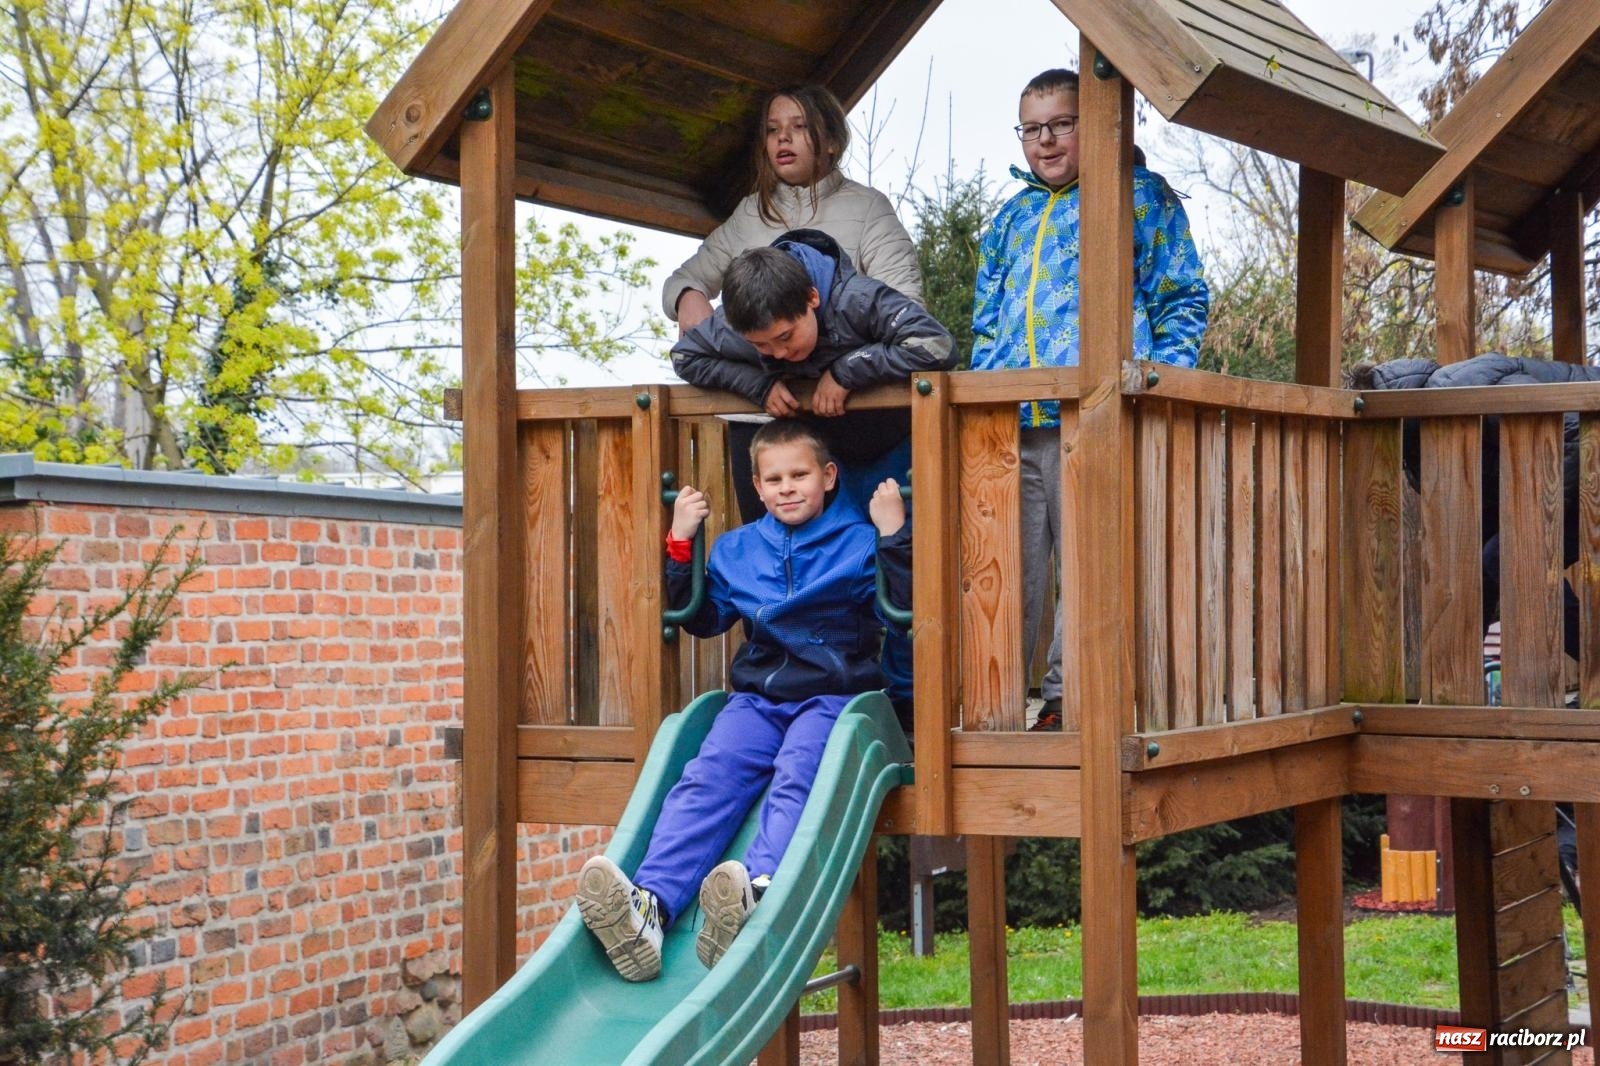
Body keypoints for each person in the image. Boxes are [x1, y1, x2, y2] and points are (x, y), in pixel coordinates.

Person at [574, 420, 911, 982]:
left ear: (828, 477)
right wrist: (681, 542)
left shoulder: (857, 544)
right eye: (774, 478)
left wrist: (894, 534)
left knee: (799, 771)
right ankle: (651, 908)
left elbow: (900, 609)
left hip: (833, 696)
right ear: (757, 488)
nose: (787, 487)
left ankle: (755, 889)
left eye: (799, 474)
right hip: (757, 699)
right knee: (707, 777)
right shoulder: (737, 550)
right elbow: (703, 620)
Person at [970, 67, 1209, 731]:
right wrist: (982, 404)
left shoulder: (1139, 197)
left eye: (1060, 125)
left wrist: (1154, 384)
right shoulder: (1011, 218)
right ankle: (993, 702)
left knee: (1085, 565)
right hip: (1012, 423)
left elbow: (1182, 297)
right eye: (1031, 129)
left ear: (1095, 124)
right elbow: (987, 318)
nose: (1044, 141)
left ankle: (1063, 702)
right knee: (1004, 565)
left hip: (1094, 419)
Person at [672, 229, 955, 729]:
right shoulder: (743, 331)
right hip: (825, 464)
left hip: (886, 447)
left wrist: (849, 371)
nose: (780, 353)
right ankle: (810, 689)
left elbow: (934, 341)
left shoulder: (856, 300)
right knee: (827, 580)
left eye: (786, 337)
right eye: (762, 345)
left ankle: (909, 708)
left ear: (813, 300)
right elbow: (686, 356)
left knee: (902, 574)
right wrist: (758, 383)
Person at [662, 85, 922, 335]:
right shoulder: (749, 212)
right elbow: (684, 279)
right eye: (773, 130)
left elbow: (904, 309)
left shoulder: (868, 207)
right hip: (761, 376)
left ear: (832, 141)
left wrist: (847, 371)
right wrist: (687, 296)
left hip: (849, 374)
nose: (783, 137)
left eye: (800, 126)